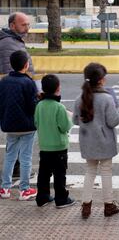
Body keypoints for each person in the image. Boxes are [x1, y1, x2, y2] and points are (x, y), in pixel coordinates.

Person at [73, 63, 119, 219]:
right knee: (106, 172)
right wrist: (118, 108)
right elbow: (113, 121)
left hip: (88, 141)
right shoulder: (107, 98)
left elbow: (75, 120)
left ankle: (86, 207)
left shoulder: (79, 98)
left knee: (90, 171)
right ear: (101, 80)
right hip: (105, 142)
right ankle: (109, 205)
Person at [0, 12, 35, 179]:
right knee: (19, 140)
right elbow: (11, 73)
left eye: (28, 24)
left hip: (17, 96)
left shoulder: (14, 40)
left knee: (14, 141)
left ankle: (13, 172)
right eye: (24, 25)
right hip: (17, 98)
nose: (27, 28)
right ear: (13, 25)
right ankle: (20, 176)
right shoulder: (8, 43)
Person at [0, 50, 38, 200]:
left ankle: (5, 188)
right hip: (27, 126)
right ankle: (24, 189)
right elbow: (32, 106)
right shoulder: (28, 83)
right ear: (26, 65)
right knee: (26, 157)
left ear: (11, 64)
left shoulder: (3, 82)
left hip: (9, 125)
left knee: (10, 156)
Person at [35, 74, 75, 208]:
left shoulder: (39, 105)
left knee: (44, 173)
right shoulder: (59, 107)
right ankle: (61, 198)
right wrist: (70, 119)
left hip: (45, 145)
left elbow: (36, 122)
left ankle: (42, 197)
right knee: (59, 174)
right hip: (59, 146)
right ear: (58, 88)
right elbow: (64, 126)